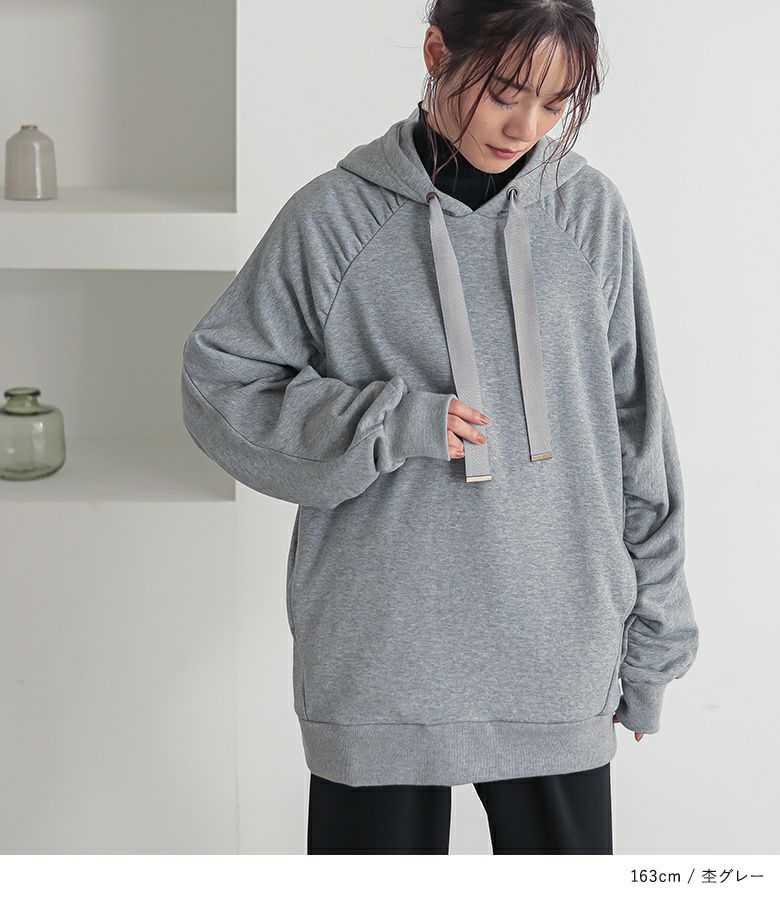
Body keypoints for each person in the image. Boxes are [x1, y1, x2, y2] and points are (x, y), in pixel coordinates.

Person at [180, 0, 699, 854]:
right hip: (380, 657)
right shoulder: (334, 219)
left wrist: (656, 641)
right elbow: (219, 383)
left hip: (558, 650)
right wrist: (388, 421)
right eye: (505, 92)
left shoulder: (588, 216)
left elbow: (638, 435)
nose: (526, 128)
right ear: (436, 52)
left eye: (555, 103)